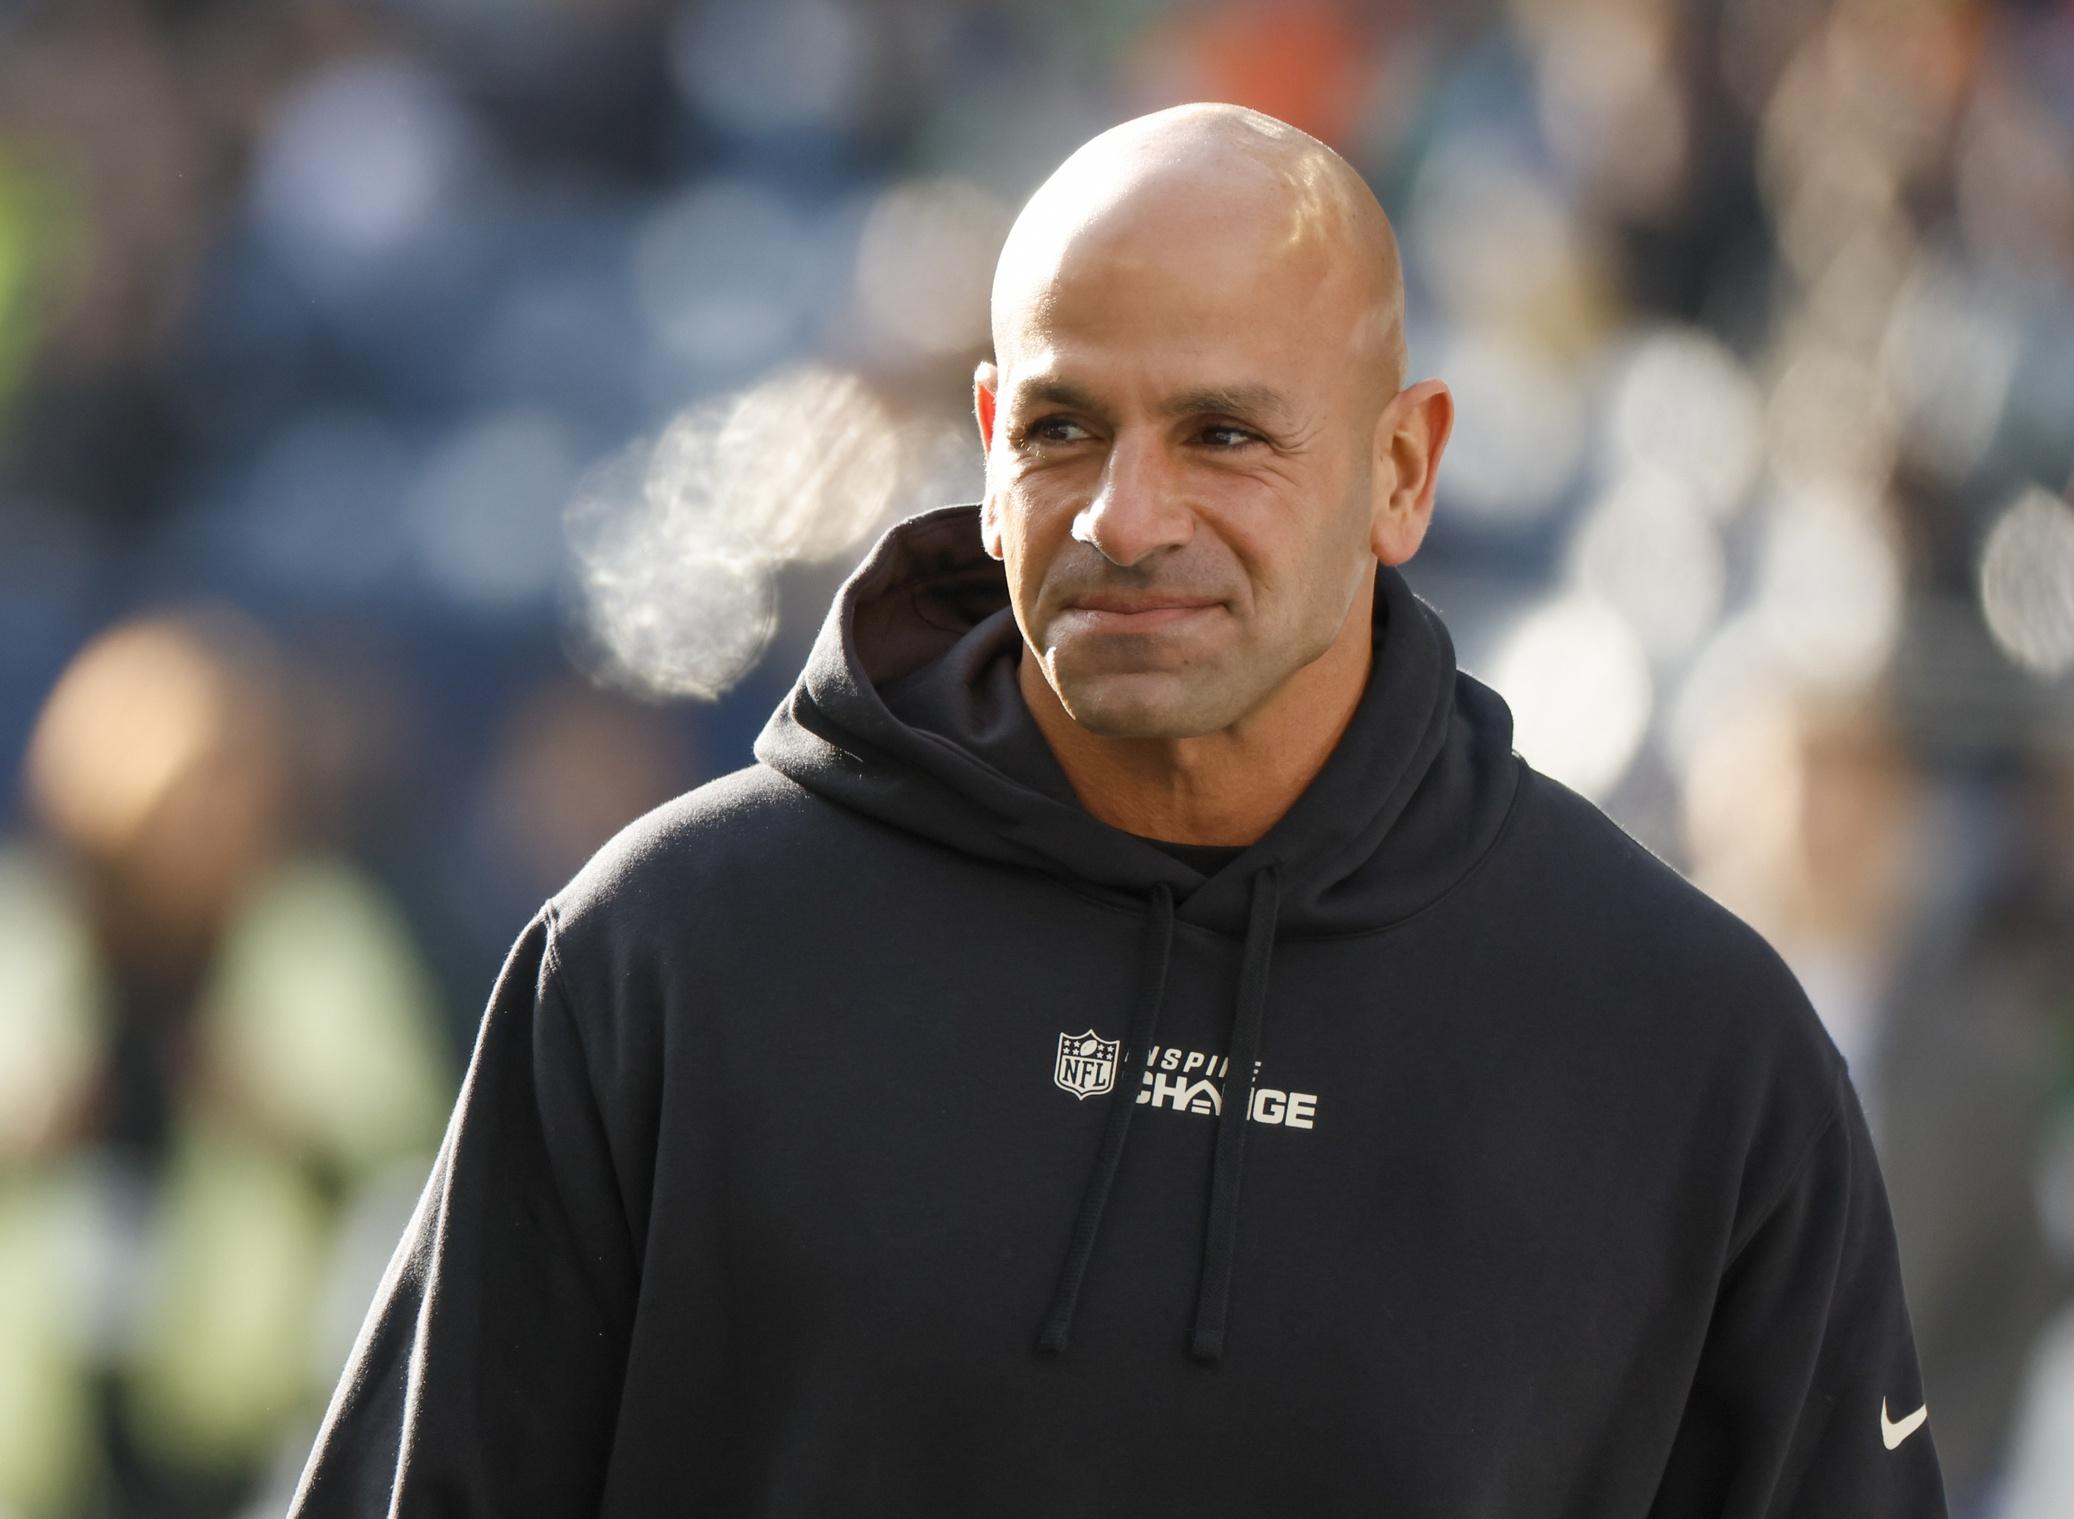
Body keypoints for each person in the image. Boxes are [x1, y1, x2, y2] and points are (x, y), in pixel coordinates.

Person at [287, 103, 1949, 1515]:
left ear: (1403, 473)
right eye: (1066, 431)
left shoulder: (1690, 1049)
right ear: (990, 443)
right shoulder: (657, 961)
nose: (1125, 517)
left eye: (1225, 434)